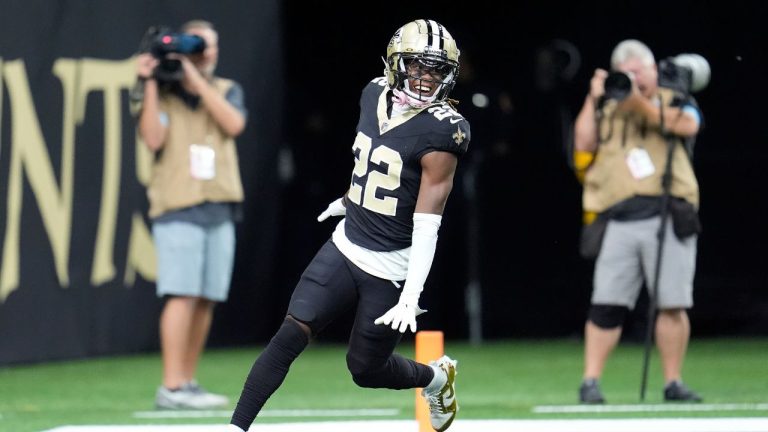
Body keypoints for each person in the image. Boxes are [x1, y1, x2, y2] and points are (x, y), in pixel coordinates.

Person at [226, 19, 470, 432]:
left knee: (365, 369)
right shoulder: (373, 92)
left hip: (392, 263)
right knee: (291, 332)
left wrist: (412, 293)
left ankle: (435, 379)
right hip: (347, 244)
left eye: (435, 69)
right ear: (396, 64)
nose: (426, 78)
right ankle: (235, 427)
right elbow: (372, 162)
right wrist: (347, 201)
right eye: (417, 66)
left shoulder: (446, 130)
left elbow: (429, 222)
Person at [572, 39, 703, 404]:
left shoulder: (673, 97)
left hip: (668, 213)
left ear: (652, 69)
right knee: (607, 302)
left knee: (672, 302)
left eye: (637, 71)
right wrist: (594, 96)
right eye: (625, 73)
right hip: (619, 217)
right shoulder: (608, 106)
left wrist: (635, 101)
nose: (632, 78)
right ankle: (590, 382)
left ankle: (673, 381)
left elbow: (689, 125)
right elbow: (582, 142)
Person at [134, 19, 248, 409]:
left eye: (209, 46)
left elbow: (234, 124)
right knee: (181, 293)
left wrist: (194, 78)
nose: (205, 53)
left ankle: (187, 380)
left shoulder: (227, 89)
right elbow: (152, 138)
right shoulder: (159, 91)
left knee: (206, 297)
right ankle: (171, 385)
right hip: (177, 202)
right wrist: (150, 80)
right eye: (198, 46)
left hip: (219, 201)